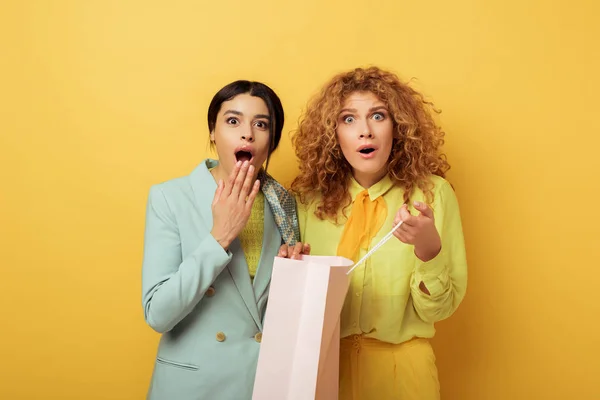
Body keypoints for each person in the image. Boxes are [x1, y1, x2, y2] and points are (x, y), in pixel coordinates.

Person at [290, 66, 468, 399]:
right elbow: (295, 308)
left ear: (398, 128)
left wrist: (428, 251)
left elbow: (438, 311)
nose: (365, 132)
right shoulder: (307, 202)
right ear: (332, 133)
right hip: (324, 371)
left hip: (404, 373)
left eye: (378, 115)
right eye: (348, 119)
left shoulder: (433, 194)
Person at [141, 80, 300, 400]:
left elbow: (274, 314)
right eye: (233, 121)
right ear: (212, 132)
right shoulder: (171, 198)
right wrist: (220, 237)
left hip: (262, 384)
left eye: (261, 124)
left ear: (273, 139)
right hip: (195, 386)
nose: (248, 133)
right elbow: (158, 313)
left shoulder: (283, 204)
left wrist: (294, 276)